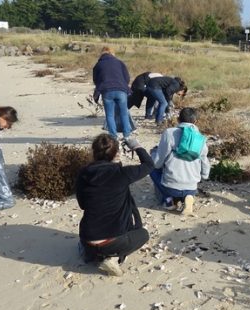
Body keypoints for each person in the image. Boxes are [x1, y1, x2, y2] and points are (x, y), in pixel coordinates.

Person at [76, 134, 154, 276]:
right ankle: (113, 257)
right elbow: (149, 165)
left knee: (92, 242)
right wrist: (136, 146)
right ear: (116, 153)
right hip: (114, 240)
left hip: (87, 237)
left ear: (94, 152)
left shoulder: (83, 173)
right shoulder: (121, 173)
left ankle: (93, 254)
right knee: (143, 234)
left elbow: (82, 205)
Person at [150, 107, 209, 215]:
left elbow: (157, 163)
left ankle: (168, 201)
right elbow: (205, 166)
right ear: (196, 121)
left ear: (178, 119)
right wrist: (204, 175)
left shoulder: (169, 133)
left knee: (151, 168)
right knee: (187, 186)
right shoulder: (201, 138)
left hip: (171, 187)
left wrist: (153, 154)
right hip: (192, 187)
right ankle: (189, 197)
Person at [93, 46, 132, 140]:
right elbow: (127, 78)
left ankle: (113, 136)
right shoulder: (119, 62)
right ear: (112, 53)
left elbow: (96, 80)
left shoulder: (98, 65)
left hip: (107, 91)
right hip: (121, 90)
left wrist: (99, 90)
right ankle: (127, 135)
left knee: (110, 115)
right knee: (124, 113)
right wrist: (123, 86)